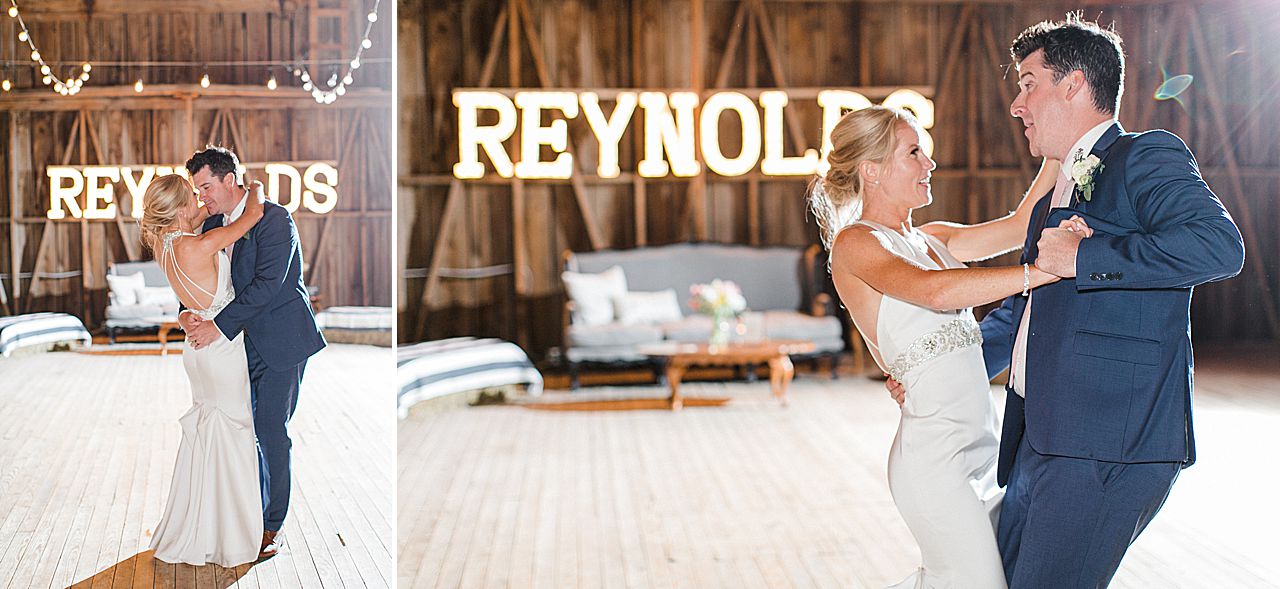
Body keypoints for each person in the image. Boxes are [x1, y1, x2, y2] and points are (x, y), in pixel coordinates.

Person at [890, 14, 1245, 588]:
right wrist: (938, 371)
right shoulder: (1056, 188)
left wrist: (1085, 256)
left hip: (1107, 445)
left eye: (1029, 83)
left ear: (1075, 84)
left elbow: (1218, 246)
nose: (1016, 103)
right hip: (1039, 438)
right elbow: (1023, 310)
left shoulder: (1145, 156)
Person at [811, 104, 1067, 588]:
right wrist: (1042, 273)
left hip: (985, 452)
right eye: (914, 153)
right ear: (872, 170)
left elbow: (1021, 224)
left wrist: (1056, 149)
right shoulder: (856, 244)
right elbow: (936, 291)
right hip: (933, 464)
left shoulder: (933, 239)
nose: (929, 164)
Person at [179, 146, 327, 560]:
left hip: (282, 343)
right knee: (244, 432)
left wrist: (217, 326)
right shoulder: (212, 223)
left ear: (230, 180)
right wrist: (187, 314)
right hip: (239, 347)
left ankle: (272, 525)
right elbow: (200, 278)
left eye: (206, 186)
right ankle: (245, 516)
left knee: (270, 432)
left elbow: (267, 286)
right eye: (197, 189)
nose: (202, 196)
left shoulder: (276, 220)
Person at [140, 174, 265, 566]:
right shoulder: (202, 244)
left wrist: (184, 314)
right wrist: (255, 187)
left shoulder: (165, 246)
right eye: (193, 197)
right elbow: (253, 215)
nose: (199, 201)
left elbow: (189, 287)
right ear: (180, 210)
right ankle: (232, 537)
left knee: (208, 436)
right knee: (234, 435)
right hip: (221, 349)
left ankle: (199, 527)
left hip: (195, 350)